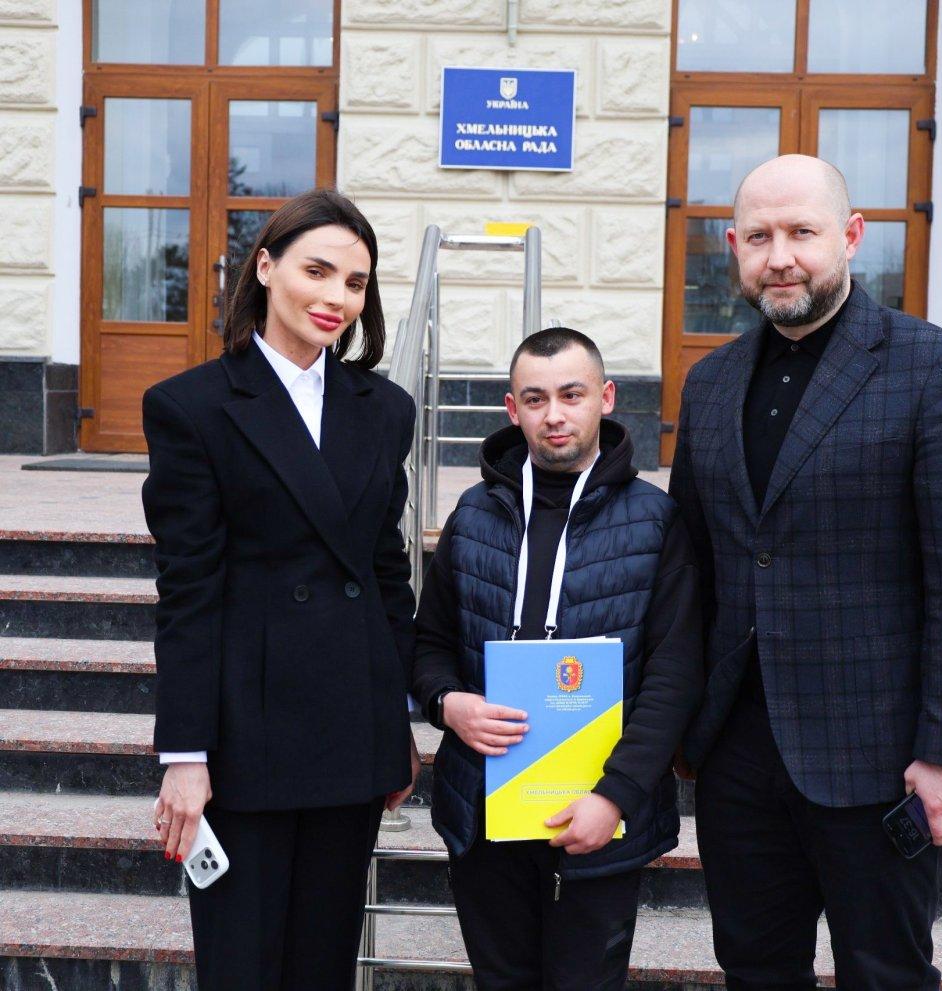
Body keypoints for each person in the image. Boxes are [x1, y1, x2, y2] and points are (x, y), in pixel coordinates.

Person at [670, 155, 942, 990]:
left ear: (851, 237)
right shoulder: (709, 383)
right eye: (759, 237)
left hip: (878, 758)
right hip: (738, 757)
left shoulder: (940, 369)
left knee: (885, 973)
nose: (780, 256)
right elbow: (692, 570)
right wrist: (680, 726)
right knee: (754, 970)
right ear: (733, 248)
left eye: (802, 232)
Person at [142, 188, 421, 991]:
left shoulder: (386, 408)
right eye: (317, 271)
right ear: (265, 268)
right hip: (245, 740)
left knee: (322, 967)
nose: (337, 298)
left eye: (356, 283)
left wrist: (395, 718)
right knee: (243, 968)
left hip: (350, 732)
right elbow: (188, 592)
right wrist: (185, 753)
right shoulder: (192, 406)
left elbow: (385, 573)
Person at [412, 328, 702, 991]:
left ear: (606, 398)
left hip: (602, 811)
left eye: (572, 395)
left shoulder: (654, 520)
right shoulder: (473, 514)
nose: (554, 415)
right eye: (536, 399)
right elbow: (430, 645)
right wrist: (448, 704)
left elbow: (674, 673)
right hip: (486, 808)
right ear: (512, 409)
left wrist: (615, 795)